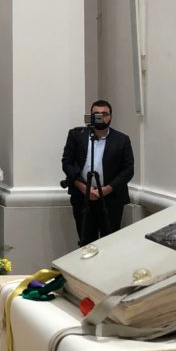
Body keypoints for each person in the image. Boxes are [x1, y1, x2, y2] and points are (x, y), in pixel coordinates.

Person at [61, 99, 135, 245]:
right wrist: (83, 187)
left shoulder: (122, 140)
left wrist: (106, 190)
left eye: (105, 114)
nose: (101, 117)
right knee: (86, 243)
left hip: (111, 199)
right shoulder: (76, 135)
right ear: (91, 116)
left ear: (111, 117)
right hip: (82, 197)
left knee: (110, 243)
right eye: (96, 114)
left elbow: (128, 170)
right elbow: (67, 162)